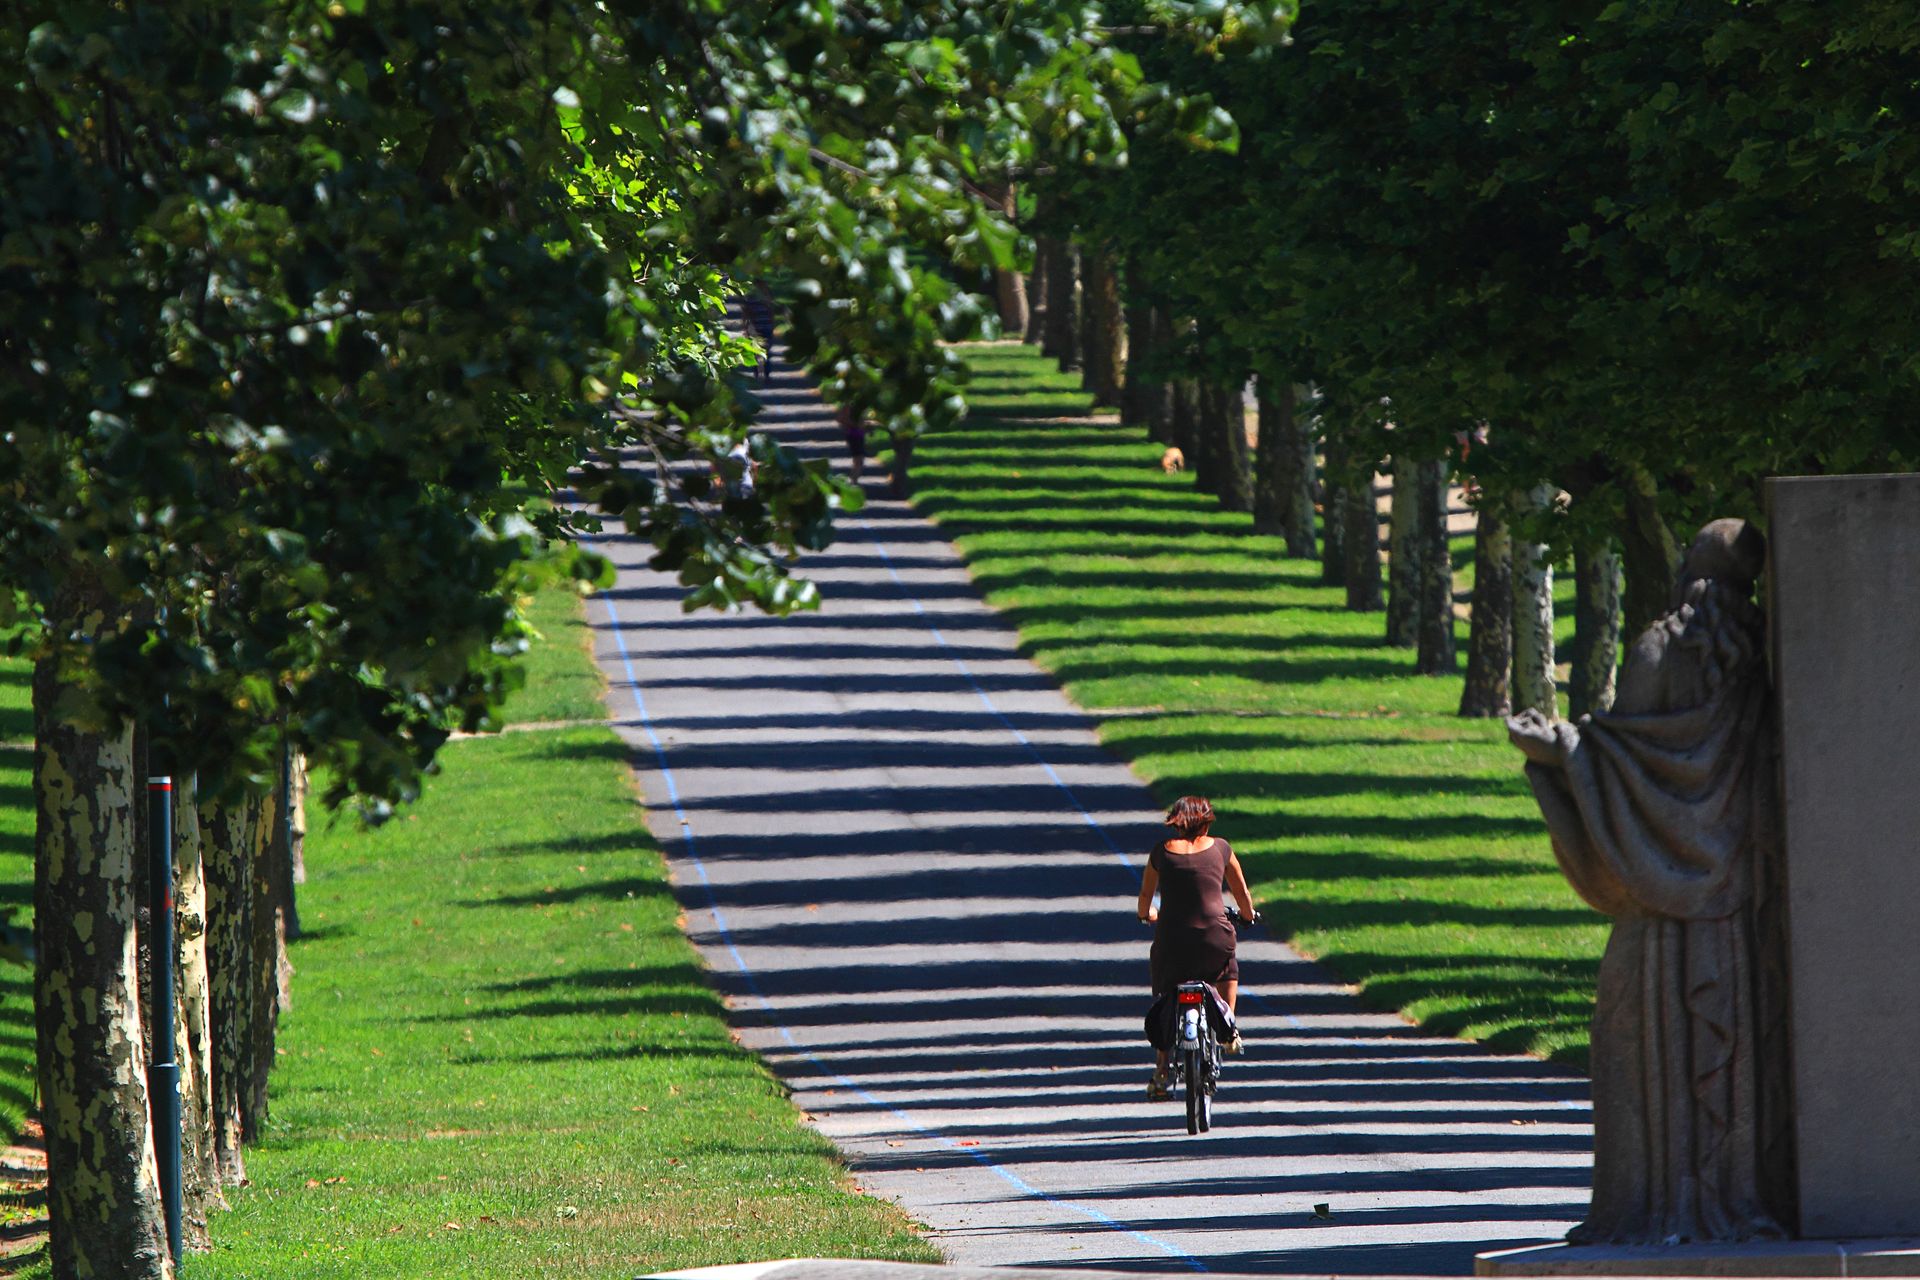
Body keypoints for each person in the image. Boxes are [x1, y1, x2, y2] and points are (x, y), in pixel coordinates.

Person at [1137, 795, 1256, 1100]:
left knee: (1165, 986)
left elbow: (1144, 904)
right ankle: (1228, 1026)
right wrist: (1246, 916)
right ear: (1207, 821)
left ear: (1175, 822)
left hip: (1172, 940)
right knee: (1228, 967)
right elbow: (1242, 894)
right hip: (1214, 936)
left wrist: (1149, 915)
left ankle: (1162, 1069)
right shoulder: (1221, 848)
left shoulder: (1161, 853)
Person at [835, 403, 868, 481]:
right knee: (859, 460)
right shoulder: (850, 405)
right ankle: (853, 481)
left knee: (858, 460)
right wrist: (854, 425)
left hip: (858, 435)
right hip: (854, 435)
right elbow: (841, 419)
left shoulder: (858, 406)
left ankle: (853, 480)